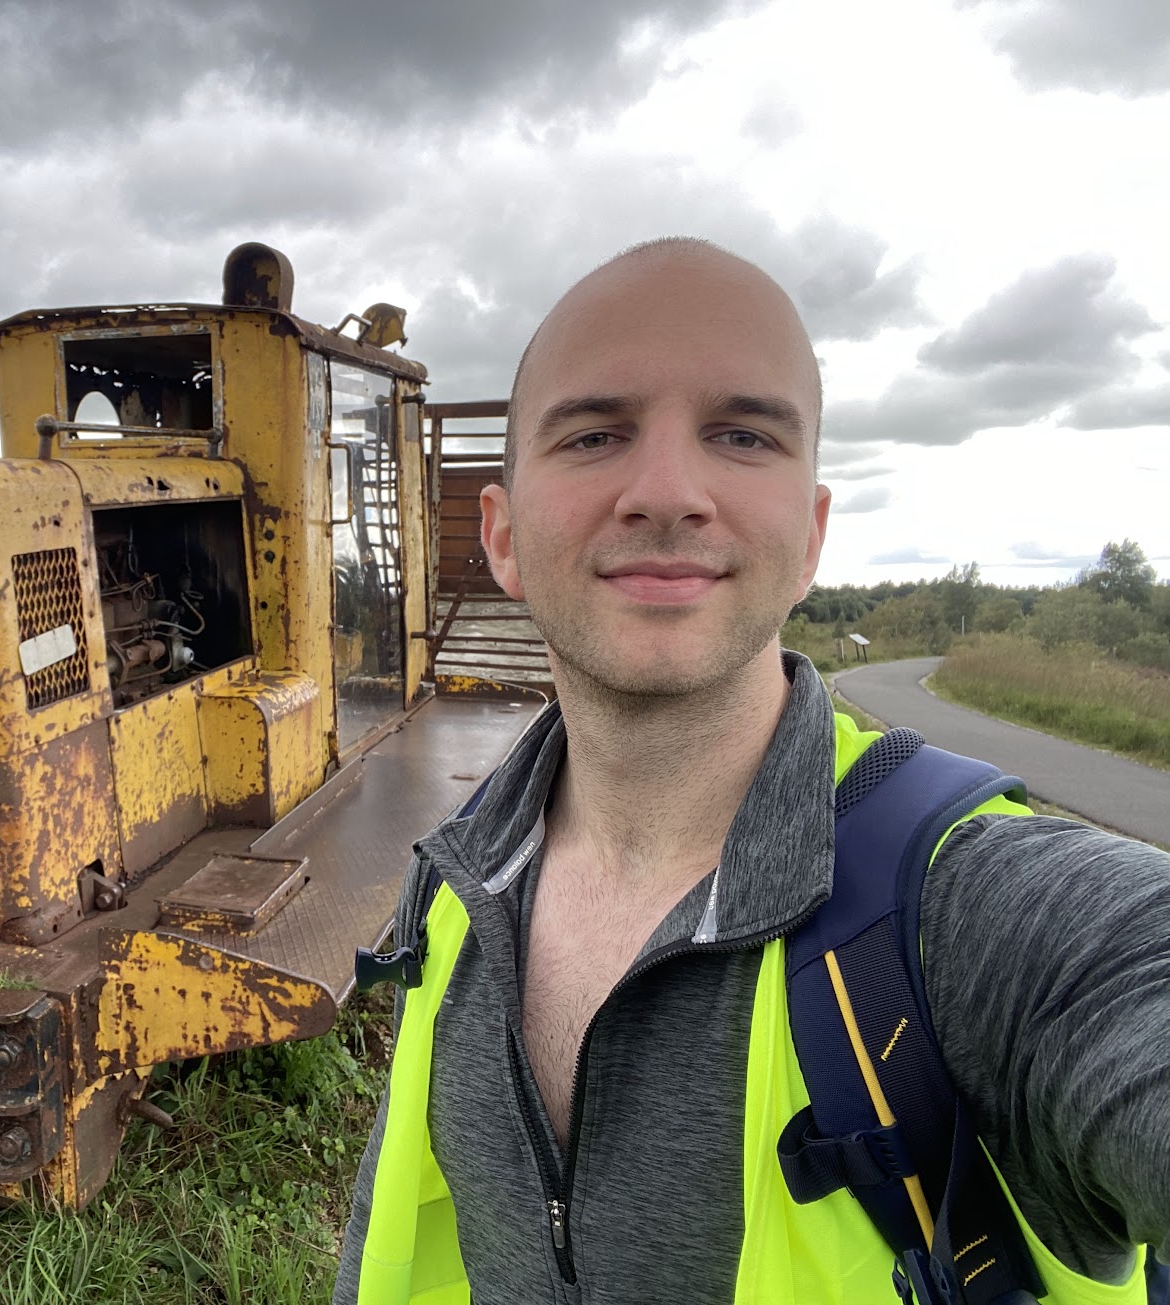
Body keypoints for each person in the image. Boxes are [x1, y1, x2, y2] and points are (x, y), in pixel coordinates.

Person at [334, 239, 1170, 1303]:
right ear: (501, 536)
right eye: (595, 434)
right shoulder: (456, 877)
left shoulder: (975, 919)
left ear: (811, 536)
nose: (667, 493)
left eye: (741, 435)